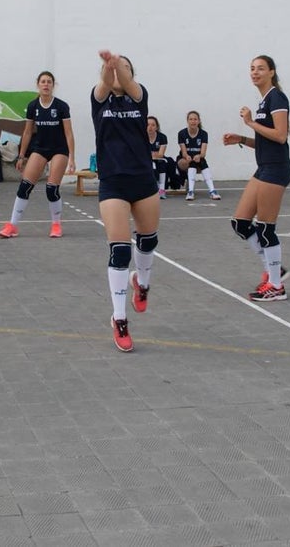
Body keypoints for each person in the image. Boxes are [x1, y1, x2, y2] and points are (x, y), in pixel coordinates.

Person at [92, 51, 160, 352]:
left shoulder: (138, 97)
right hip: (113, 182)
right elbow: (105, 82)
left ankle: (142, 284)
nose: (119, 72)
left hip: (143, 180)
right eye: (114, 69)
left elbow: (130, 84)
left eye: (125, 68)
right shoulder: (99, 99)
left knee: (148, 241)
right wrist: (109, 67)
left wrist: (119, 65)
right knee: (120, 251)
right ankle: (119, 318)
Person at [222, 55, 290, 302]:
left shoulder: (276, 97)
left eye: (261, 68)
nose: (255, 72)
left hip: (276, 169)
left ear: (271, 72)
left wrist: (250, 122)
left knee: (265, 228)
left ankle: (276, 286)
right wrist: (241, 139)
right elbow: (266, 140)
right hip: (264, 168)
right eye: (252, 68)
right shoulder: (263, 102)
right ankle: (275, 270)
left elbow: (280, 136)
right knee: (240, 223)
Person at [0, 71, 76, 238]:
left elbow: (69, 133)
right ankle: (12, 226)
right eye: (43, 81)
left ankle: (56, 225)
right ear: (38, 85)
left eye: (49, 82)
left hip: (59, 149)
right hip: (40, 149)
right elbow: (27, 132)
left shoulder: (61, 106)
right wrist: (21, 156)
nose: (46, 84)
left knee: (51, 189)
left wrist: (72, 158)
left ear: (53, 85)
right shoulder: (33, 106)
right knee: (25, 186)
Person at [177, 111, 220, 201]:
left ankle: (212, 191)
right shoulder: (182, 133)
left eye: (195, 119)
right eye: (191, 119)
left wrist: (199, 156)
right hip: (185, 159)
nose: (193, 121)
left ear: (199, 121)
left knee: (203, 163)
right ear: (187, 121)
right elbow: (183, 152)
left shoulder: (203, 134)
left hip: (198, 158)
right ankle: (190, 192)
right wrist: (187, 156)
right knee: (191, 163)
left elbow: (203, 153)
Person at [146, 116, 175, 199]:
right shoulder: (140, 137)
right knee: (152, 165)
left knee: (162, 163)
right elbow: (141, 154)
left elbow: (161, 154)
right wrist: (153, 154)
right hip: (146, 161)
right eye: (148, 125)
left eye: (153, 125)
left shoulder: (162, 137)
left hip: (158, 160)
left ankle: (161, 190)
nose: (150, 127)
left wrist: (151, 154)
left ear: (157, 127)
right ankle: (152, 190)